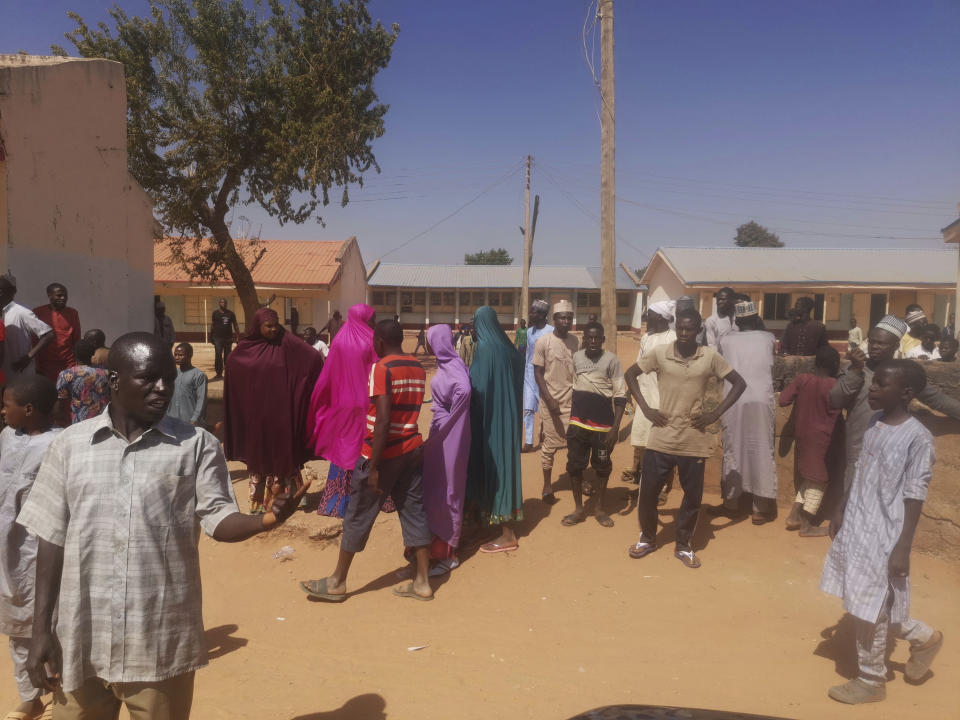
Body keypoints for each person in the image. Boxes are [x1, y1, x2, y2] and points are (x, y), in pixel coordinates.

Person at [17, 332, 308, 719]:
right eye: (148, 378)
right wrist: (40, 632)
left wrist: (266, 519)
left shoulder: (196, 445)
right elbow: (50, 539)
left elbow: (218, 518)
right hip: (82, 637)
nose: (163, 388)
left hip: (158, 640)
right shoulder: (71, 446)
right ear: (115, 380)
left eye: (169, 379)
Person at [820, 360, 942, 704]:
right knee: (868, 600)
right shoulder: (874, 422)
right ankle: (924, 637)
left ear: (905, 393)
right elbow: (861, 469)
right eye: (873, 383)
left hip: (886, 534)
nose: (871, 389)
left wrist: (903, 547)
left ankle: (872, 680)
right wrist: (842, 507)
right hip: (859, 524)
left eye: (880, 385)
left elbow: (915, 494)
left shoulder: (918, 438)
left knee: (869, 604)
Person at [300, 319, 434, 602]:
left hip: (384, 453)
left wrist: (372, 466)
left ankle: (337, 581)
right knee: (414, 510)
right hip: (411, 448)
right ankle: (423, 581)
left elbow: (384, 418)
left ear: (380, 342)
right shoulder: (417, 367)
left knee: (358, 514)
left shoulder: (381, 368)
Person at [624, 308, 747, 569]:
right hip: (662, 437)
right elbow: (630, 375)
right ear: (675, 326)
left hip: (693, 439)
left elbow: (739, 383)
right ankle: (647, 538)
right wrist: (645, 409)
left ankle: (683, 544)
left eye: (689, 328)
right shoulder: (660, 353)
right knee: (647, 493)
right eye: (680, 327)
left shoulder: (709, 357)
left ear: (698, 330)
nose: (683, 333)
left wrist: (715, 413)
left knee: (692, 497)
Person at [830, 315, 960, 496]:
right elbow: (836, 400)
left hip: (893, 450)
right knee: (852, 499)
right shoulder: (856, 369)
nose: (873, 346)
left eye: (881, 343)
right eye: (872, 341)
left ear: (896, 346)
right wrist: (855, 370)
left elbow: (936, 399)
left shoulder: (905, 373)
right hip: (859, 448)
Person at [0, 376, 61, 720]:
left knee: (50, 625)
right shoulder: (8, 436)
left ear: (28, 409)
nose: (2, 410)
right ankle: (30, 695)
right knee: (16, 628)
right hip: (9, 551)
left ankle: (57, 694)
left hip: (41, 549)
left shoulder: (59, 443)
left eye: (6, 404)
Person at [224, 308, 324, 513]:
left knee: (284, 452)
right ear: (257, 326)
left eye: (275, 325)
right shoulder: (245, 348)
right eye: (268, 326)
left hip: (282, 413)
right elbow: (233, 365)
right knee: (258, 455)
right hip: (257, 414)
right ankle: (259, 503)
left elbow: (312, 357)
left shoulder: (287, 342)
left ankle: (294, 498)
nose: (272, 329)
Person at [307, 304, 380, 518]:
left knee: (343, 449)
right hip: (366, 402)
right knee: (364, 447)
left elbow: (329, 373)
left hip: (342, 403)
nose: (374, 323)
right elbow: (379, 370)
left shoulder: (339, 339)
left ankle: (338, 501)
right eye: (372, 319)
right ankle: (366, 500)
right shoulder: (371, 340)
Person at [467, 306, 525, 553]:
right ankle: (488, 522)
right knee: (505, 465)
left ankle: (508, 534)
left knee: (495, 466)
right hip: (508, 418)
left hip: (491, 420)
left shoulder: (486, 349)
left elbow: (476, 387)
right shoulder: (507, 348)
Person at [715, 301, 778, 524]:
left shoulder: (725, 339)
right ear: (756, 318)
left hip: (733, 399)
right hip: (761, 399)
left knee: (733, 447)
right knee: (762, 449)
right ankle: (760, 508)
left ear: (737, 321)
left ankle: (731, 503)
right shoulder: (769, 338)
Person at [561, 322, 627, 528]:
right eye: (588, 338)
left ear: (602, 340)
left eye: (596, 338)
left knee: (602, 467)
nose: (592, 341)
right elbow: (573, 386)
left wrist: (615, 428)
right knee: (574, 466)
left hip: (602, 429)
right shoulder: (577, 358)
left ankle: (599, 509)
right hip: (578, 424)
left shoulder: (612, 361)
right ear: (584, 339)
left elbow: (620, 395)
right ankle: (579, 509)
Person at [420, 324, 472, 575]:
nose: (427, 344)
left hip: (453, 434)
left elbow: (464, 390)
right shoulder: (447, 364)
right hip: (441, 432)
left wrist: (452, 420)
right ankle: (435, 547)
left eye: (430, 340)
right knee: (436, 487)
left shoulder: (453, 367)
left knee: (450, 489)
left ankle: (450, 552)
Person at [779, 345, 843, 536]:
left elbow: (783, 399)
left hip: (802, 436)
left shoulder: (803, 380)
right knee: (819, 480)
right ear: (835, 365)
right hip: (823, 439)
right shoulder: (835, 385)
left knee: (810, 477)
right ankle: (806, 526)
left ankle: (794, 515)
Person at [625, 301, 677, 494]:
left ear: (661, 317)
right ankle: (644, 485)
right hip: (644, 397)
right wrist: (630, 391)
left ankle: (662, 487)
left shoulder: (673, 337)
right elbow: (638, 365)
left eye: (651, 314)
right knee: (643, 443)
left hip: (662, 397)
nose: (647, 318)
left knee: (661, 445)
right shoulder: (646, 338)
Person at [532, 301, 578, 504]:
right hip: (551, 402)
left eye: (569, 317)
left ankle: (576, 480)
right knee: (550, 446)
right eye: (562, 317)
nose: (566, 321)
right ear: (554, 319)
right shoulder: (544, 342)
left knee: (576, 445)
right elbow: (538, 372)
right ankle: (547, 485)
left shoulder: (576, 342)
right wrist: (549, 399)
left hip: (572, 401)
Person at [0, 275, 53, 382]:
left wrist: (29, 357)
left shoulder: (21, 312)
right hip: (4, 375)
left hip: (21, 375)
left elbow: (49, 334)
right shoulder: (2, 313)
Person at [55, 338, 110, 425]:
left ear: (74, 354)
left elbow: (60, 403)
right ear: (93, 354)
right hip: (102, 421)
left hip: (78, 422)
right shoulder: (105, 373)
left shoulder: (66, 374)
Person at [33, 282, 81, 382]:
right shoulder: (38, 313)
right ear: (49, 295)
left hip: (68, 365)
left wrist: (78, 365)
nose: (63, 298)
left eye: (65, 295)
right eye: (59, 295)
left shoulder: (72, 313)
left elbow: (76, 340)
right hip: (46, 366)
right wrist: (37, 367)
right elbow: (34, 341)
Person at [522, 299, 553, 452]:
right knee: (527, 409)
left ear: (542, 314)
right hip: (529, 375)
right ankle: (528, 442)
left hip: (544, 376)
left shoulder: (551, 331)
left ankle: (546, 436)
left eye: (533, 312)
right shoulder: (529, 332)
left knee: (544, 410)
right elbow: (528, 354)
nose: (530, 314)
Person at [167, 343, 208, 427]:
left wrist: (195, 419)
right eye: (175, 355)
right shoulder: (173, 373)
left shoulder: (199, 375)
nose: (177, 357)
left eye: (180, 355)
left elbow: (202, 400)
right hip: (172, 419)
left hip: (189, 421)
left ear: (190, 355)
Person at [209, 298, 239, 379]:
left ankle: (228, 373)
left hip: (228, 339)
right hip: (217, 338)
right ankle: (218, 373)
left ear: (227, 304)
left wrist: (237, 337)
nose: (224, 304)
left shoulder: (231, 314)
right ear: (219, 303)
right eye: (222, 302)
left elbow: (235, 325)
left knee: (228, 356)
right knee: (218, 355)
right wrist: (210, 337)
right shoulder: (215, 313)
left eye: (225, 302)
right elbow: (212, 325)